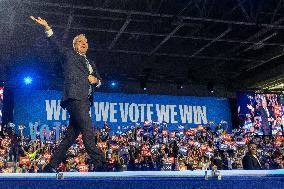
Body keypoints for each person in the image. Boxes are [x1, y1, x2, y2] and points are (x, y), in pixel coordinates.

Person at [30, 16, 106, 172]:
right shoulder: (68, 56)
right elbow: (56, 46)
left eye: (86, 42)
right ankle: (100, 162)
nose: (84, 43)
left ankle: (51, 165)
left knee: (70, 136)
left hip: (85, 100)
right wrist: (47, 28)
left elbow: (100, 81)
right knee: (87, 129)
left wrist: (95, 81)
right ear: (74, 45)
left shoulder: (92, 63)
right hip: (74, 97)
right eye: (80, 41)